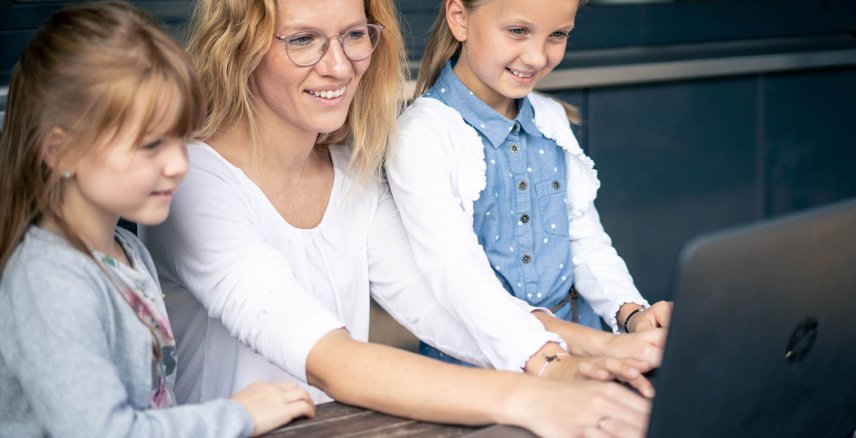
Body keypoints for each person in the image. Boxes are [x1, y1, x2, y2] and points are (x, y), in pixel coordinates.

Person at [142, 0, 654, 435]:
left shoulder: (351, 170)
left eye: (353, 36)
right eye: (303, 40)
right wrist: (532, 396)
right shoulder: (192, 182)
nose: (339, 67)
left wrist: (579, 357)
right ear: (240, 47)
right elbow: (333, 360)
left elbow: (437, 309)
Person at [0, 3, 313, 436]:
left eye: (179, 140)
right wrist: (239, 415)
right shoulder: (49, 280)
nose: (177, 165)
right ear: (60, 150)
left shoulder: (126, 252)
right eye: (150, 145)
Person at [388, 0, 674, 366]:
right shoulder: (422, 137)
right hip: (486, 370)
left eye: (558, 34)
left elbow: (585, 244)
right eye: (518, 31)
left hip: (589, 352)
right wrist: (589, 348)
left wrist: (632, 315)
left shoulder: (551, 119)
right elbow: (457, 276)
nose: (538, 57)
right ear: (459, 17)